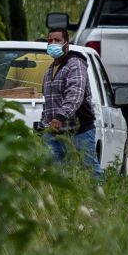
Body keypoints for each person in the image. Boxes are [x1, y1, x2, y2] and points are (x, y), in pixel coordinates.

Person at [41, 27, 101, 178]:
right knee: (54, 174)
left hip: (78, 130)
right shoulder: (49, 70)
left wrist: (60, 117)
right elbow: (48, 103)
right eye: (50, 41)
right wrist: (43, 126)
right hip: (54, 132)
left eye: (57, 40)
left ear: (66, 44)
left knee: (90, 170)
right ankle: (61, 201)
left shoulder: (75, 64)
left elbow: (75, 94)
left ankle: (102, 197)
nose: (53, 43)